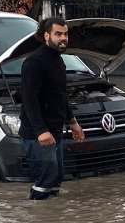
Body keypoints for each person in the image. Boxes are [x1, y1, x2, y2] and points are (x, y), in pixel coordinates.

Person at [19, 17, 84, 200]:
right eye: (58, 34)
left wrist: (73, 122)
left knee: (56, 179)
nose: (63, 38)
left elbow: (60, 96)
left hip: (55, 131)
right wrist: (41, 131)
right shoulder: (34, 62)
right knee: (45, 181)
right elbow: (29, 99)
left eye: (65, 34)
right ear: (46, 35)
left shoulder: (59, 61)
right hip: (38, 135)